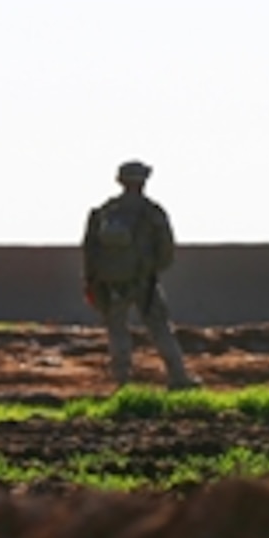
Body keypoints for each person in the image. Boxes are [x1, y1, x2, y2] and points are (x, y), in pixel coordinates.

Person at [82, 160, 201, 390]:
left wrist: (92, 279)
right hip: (144, 281)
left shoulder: (104, 211)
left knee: (117, 330)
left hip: (112, 283)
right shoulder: (152, 212)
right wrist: (153, 269)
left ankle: (122, 381)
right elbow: (166, 248)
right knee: (160, 328)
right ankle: (178, 378)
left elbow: (89, 249)